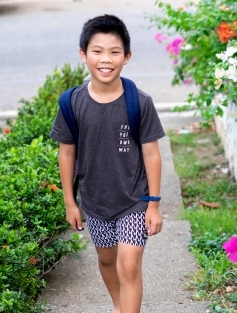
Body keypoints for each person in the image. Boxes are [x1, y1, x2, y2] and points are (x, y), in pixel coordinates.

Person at [49, 14, 165, 313]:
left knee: (129, 265)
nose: (106, 59)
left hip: (134, 200)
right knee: (106, 260)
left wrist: (153, 204)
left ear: (126, 57)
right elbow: (66, 153)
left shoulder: (138, 102)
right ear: (83, 54)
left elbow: (152, 154)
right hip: (95, 201)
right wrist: (70, 203)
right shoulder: (71, 103)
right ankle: (119, 305)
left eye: (115, 52)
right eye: (97, 51)